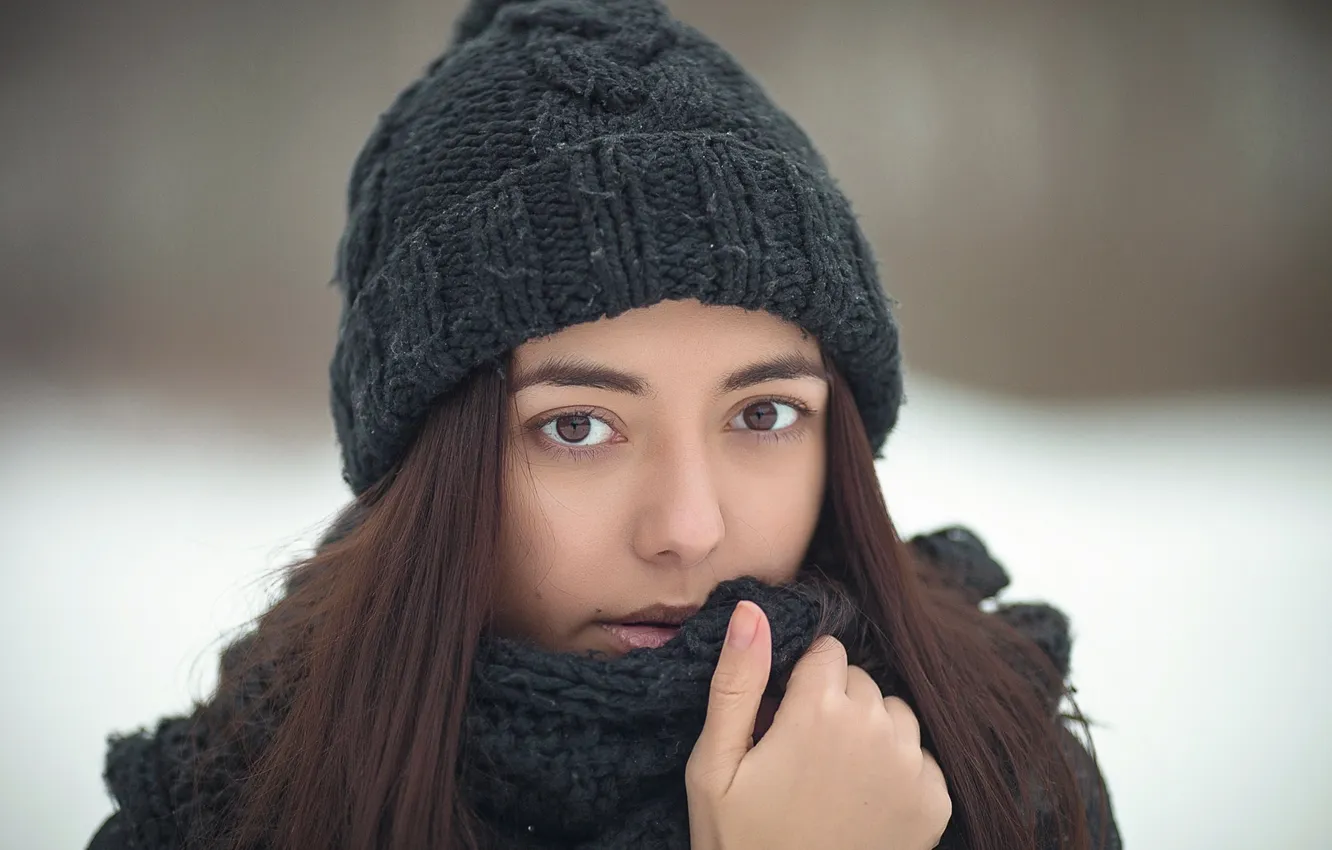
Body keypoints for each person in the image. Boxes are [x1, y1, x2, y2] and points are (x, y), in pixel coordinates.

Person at [87, 0, 1122, 848]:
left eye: (763, 413)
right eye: (578, 427)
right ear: (426, 461)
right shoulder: (235, 807)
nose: (687, 529)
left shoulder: (992, 776)